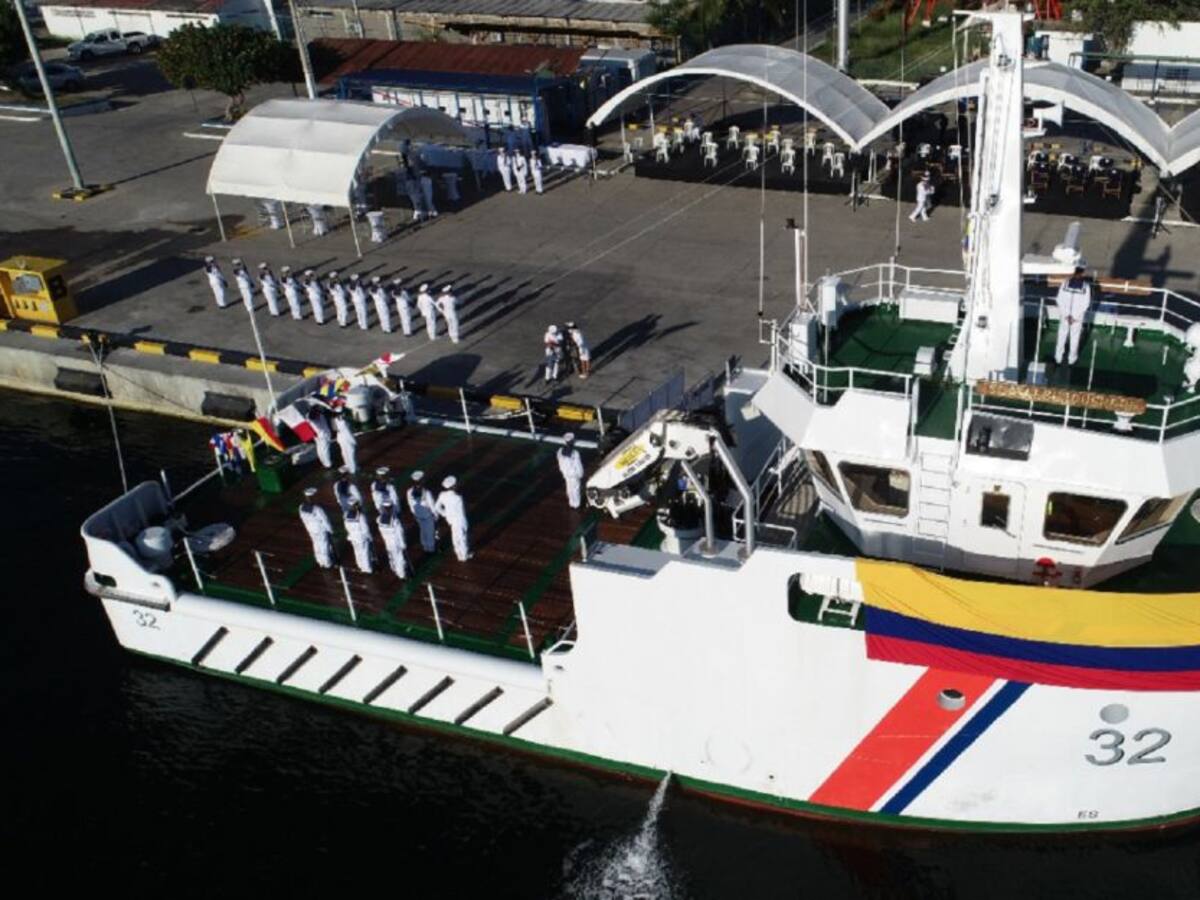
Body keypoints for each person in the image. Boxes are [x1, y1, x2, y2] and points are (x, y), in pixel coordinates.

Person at [1054, 266, 1092, 367]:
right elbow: (1086, 303)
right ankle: (1071, 359)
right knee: (1074, 338)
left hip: (1065, 316)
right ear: (1083, 273)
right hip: (1077, 318)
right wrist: (1074, 317)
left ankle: (1058, 358)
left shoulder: (1064, 283)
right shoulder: (1086, 287)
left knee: (1062, 336)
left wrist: (1066, 315)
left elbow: (1059, 299)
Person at [435, 475, 471, 562]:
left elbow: (437, 507)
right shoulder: (458, 498)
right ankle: (464, 555)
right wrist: (466, 524)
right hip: (459, 520)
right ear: (453, 486)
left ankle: (458, 554)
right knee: (462, 538)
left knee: (455, 537)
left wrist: (445, 515)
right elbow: (461, 513)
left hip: (451, 521)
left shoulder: (442, 495)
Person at [298, 487, 335, 568]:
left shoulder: (301, 507)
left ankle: (320, 561)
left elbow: (303, 518)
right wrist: (331, 530)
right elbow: (325, 521)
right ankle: (327, 563)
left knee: (316, 544)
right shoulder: (317, 509)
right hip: (320, 530)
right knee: (324, 545)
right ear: (312, 497)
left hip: (310, 529)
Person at [376, 499, 408, 579]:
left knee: (392, 557)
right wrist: (403, 544)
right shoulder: (395, 520)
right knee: (400, 558)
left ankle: (395, 570)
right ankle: (402, 575)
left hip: (387, 541)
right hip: (396, 542)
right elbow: (399, 533)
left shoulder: (379, 519)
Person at [407, 470, 438, 553]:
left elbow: (410, 505)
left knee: (422, 530)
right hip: (427, 515)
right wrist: (436, 516)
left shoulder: (409, 492)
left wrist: (415, 514)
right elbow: (432, 506)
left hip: (418, 515)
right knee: (430, 532)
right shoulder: (427, 492)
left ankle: (425, 547)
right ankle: (431, 549)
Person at [343, 501, 374, 574]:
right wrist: (370, 538)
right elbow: (365, 529)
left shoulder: (345, 515)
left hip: (352, 537)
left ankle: (360, 566)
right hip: (361, 538)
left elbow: (346, 527)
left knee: (357, 552)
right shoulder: (360, 516)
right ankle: (367, 569)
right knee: (365, 553)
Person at [557, 433, 585, 509]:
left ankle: (571, 502)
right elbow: (578, 466)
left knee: (569, 488)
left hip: (566, 474)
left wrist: (562, 471)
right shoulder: (575, 453)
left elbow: (560, 463)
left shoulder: (560, 451)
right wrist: (581, 474)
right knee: (575, 489)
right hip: (574, 475)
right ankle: (577, 505)